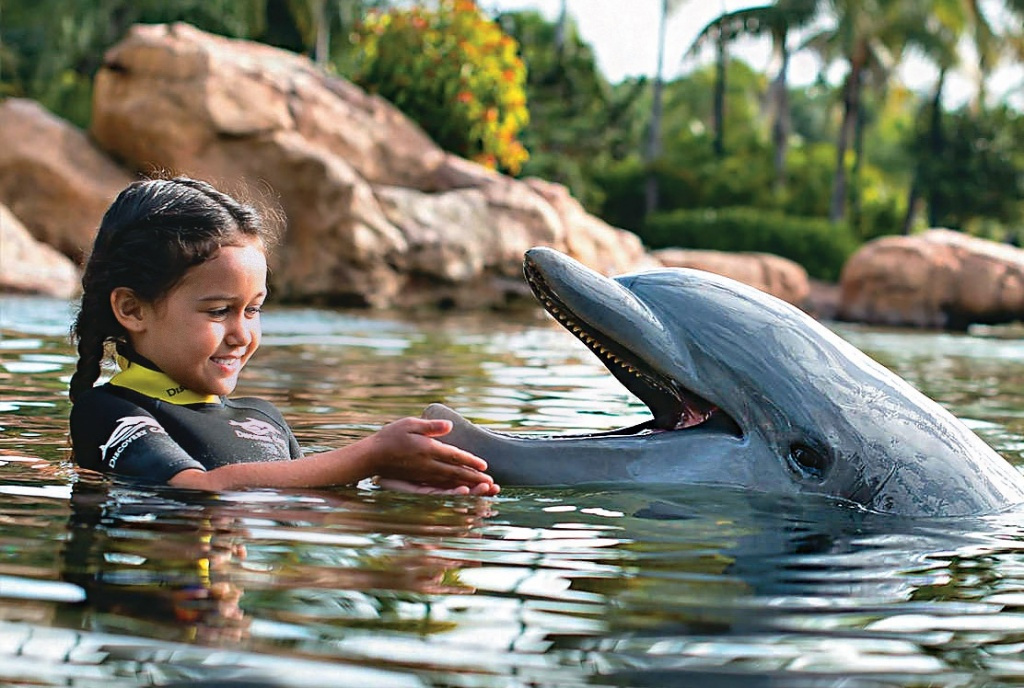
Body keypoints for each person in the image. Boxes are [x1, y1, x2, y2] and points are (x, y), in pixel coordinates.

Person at [69, 176, 498, 495]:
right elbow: (198, 491)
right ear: (131, 309)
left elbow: (300, 498)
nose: (242, 334)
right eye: (219, 311)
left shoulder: (263, 420)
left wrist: (389, 491)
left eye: (253, 309)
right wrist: (366, 455)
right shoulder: (107, 410)